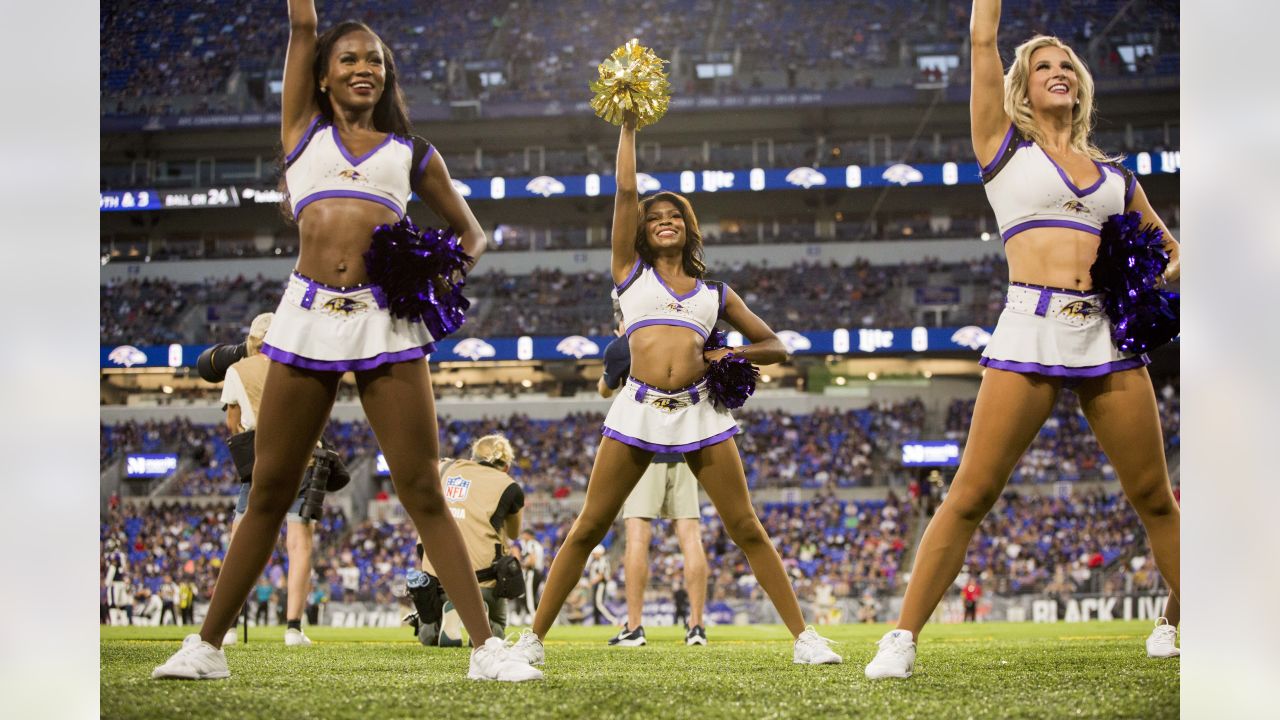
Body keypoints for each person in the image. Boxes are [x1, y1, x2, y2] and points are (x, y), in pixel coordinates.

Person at [152, 0, 539, 683]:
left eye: (376, 62)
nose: (364, 69)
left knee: (421, 486)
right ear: (323, 78)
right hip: (303, 316)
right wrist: (306, 20)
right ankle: (206, 647)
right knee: (270, 488)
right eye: (349, 60)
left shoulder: (412, 153)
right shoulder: (301, 133)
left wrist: (439, 273)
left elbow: (472, 234)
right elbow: (302, 26)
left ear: (388, 79)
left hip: (384, 320)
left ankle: (486, 651)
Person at [865, 0, 1180, 679]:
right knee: (971, 493)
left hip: (1105, 332)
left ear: (1082, 85)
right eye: (1044, 66)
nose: (1058, 71)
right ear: (1023, 87)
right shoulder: (1003, 147)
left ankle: (1185, 620)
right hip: (1028, 326)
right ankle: (901, 638)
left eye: (1067, 64)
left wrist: (1151, 289)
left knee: (1155, 497)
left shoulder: (1119, 178)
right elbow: (983, 37)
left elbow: (1170, 252)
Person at [507, 112, 840, 669]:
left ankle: (804, 638)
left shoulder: (715, 292)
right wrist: (630, 127)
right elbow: (625, 190)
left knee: (745, 527)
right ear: (642, 230)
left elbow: (777, 346)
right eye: (655, 218)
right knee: (589, 526)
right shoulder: (629, 274)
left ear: (689, 227)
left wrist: (726, 353)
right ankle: (531, 641)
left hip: (700, 414)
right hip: (636, 410)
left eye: (675, 216)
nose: (664, 221)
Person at [598, 314, 710, 647]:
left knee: (637, 538)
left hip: (643, 448)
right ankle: (697, 626)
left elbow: (605, 390)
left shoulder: (623, 345)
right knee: (691, 537)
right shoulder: (681, 338)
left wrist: (610, 371)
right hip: (686, 446)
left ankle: (634, 626)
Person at [218, 312, 318, 647]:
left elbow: (233, 425)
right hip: (304, 455)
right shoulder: (302, 364)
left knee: (241, 539)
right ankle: (292, 628)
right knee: (299, 544)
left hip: (260, 457)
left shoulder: (237, 370)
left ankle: (228, 626)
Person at [409, 435, 525, 646]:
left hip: (437, 579)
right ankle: (484, 623)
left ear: (472, 456)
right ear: (506, 466)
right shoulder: (509, 485)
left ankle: (441, 622)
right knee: (499, 625)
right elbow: (515, 533)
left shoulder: (443, 467)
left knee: (426, 635)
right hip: (481, 583)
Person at [517, 529, 546, 626]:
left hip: (532, 572)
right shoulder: (537, 544)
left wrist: (521, 564)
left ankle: (535, 620)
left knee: (530, 597)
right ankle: (532, 618)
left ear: (529, 535)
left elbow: (532, 560)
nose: (523, 536)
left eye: (524, 534)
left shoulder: (531, 544)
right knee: (531, 596)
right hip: (537, 572)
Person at [587, 546, 617, 627]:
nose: (593, 555)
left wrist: (591, 583)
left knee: (599, 604)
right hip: (597, 584)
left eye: (595, 553)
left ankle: (613, 619)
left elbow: (601, 575)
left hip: (601, 584)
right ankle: (597, 622)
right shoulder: (595, 561)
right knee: (596, 604)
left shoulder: (603, 561)